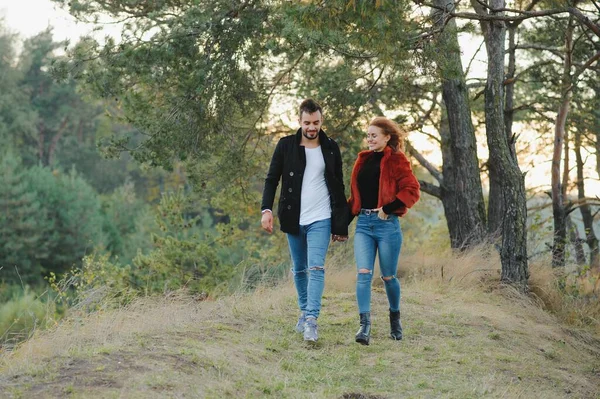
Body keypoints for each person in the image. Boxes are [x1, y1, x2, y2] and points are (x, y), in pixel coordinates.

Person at [261, 98, 349, 342]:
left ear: (322, 121)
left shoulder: (331, 147)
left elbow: (338, 186)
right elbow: (271, 180)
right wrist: (266, 210)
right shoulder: (286, 145)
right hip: (293, 216)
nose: (312, 127)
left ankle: (311, 319)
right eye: (308, 122)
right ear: (299, 121)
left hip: (321, 218)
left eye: (316, 122)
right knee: (299, 269)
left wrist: (340, 224)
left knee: (316, 267)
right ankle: (303, 312)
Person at [347, 117, 420, 345]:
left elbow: (412, 189)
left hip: (387, 226)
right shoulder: (362, 160)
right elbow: (356, 198)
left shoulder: (397, 160)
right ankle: (364, 326)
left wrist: (388, 208)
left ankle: (395, 318)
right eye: (367, 135)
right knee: (363, 274)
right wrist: (341, 224)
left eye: (374, 135)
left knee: (388, 277)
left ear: (387, 137)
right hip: (363, 225)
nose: (369, 139)